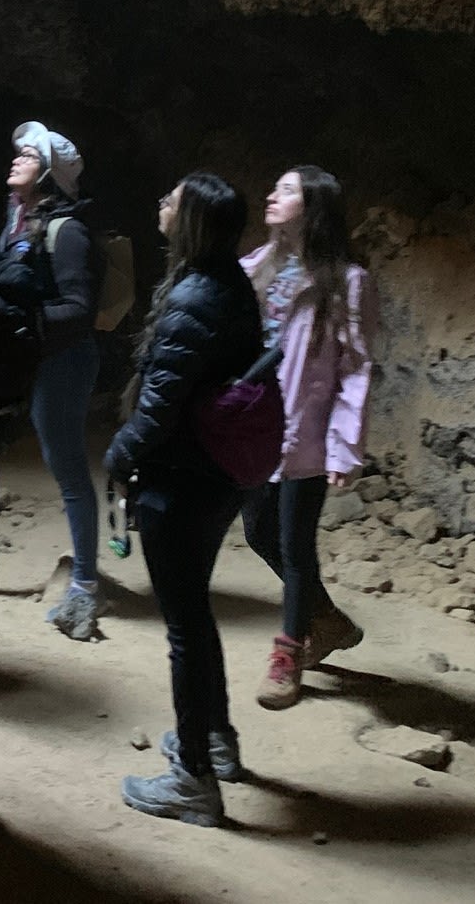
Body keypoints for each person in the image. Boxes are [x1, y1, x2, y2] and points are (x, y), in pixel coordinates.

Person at [104, 172, 261, 829]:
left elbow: (161, 403)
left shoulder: (195, 294)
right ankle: (215, 742)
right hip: (214, 474)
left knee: (184, 630)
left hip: (183, 479)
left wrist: (118, 457)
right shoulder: (226, 283)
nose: (160, 205)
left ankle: (192, 777)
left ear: (190, 219)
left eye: (170, 200)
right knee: (194, 618)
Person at [0, 123, 104, 642]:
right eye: (18, 151)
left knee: (66, 467)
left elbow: (79, 309)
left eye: (28, 154)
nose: (16, 158)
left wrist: (28, 320)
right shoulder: (16, 223)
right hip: (22, 356)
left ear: (48, 173)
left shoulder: (68, 231)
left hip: (62, 362)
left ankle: (85, 581)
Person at [240, 166, 378, 707]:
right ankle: (326, 619)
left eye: (287, 189)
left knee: (296, 544)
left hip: (309, 434)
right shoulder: (259, 265)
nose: (271, 194)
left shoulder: (347, 282)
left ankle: (286, 654)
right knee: (256, 531)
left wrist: (345, 445)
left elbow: (356, 369)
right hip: (256, 425)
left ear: (314, 207)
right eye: (273, 186)